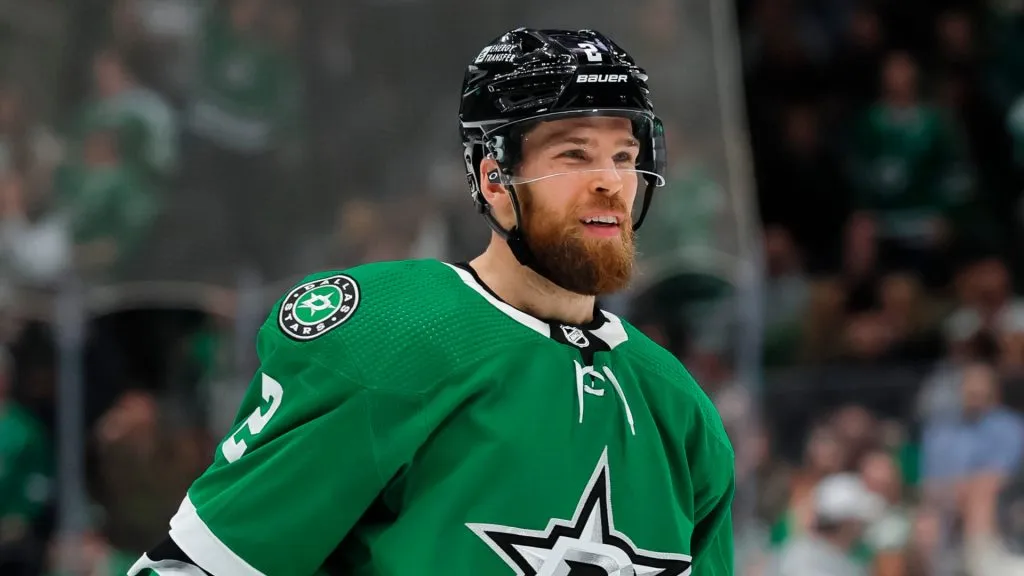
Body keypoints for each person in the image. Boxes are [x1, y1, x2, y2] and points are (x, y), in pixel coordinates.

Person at [128, 27, 735, 575]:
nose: (610, 180)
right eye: (574, 154)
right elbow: (201, 567)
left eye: (624, 156)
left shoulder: (678, 409)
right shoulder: (393, 340)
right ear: (495, 179)